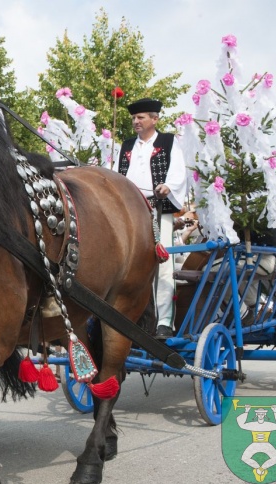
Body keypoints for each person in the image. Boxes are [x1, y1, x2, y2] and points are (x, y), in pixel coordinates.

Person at [115, 98, 187, 338]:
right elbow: (117, 176)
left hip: (159, 209)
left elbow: (178, 171)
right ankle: (134, 321)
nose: (136, 121)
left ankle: (164, 322)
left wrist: (168, 186)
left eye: (141, 117)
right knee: (129, 265)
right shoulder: (126, 146)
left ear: (154, 119)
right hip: (130, 212)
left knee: (164, 265)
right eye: (134, 118)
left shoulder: (168, 141)